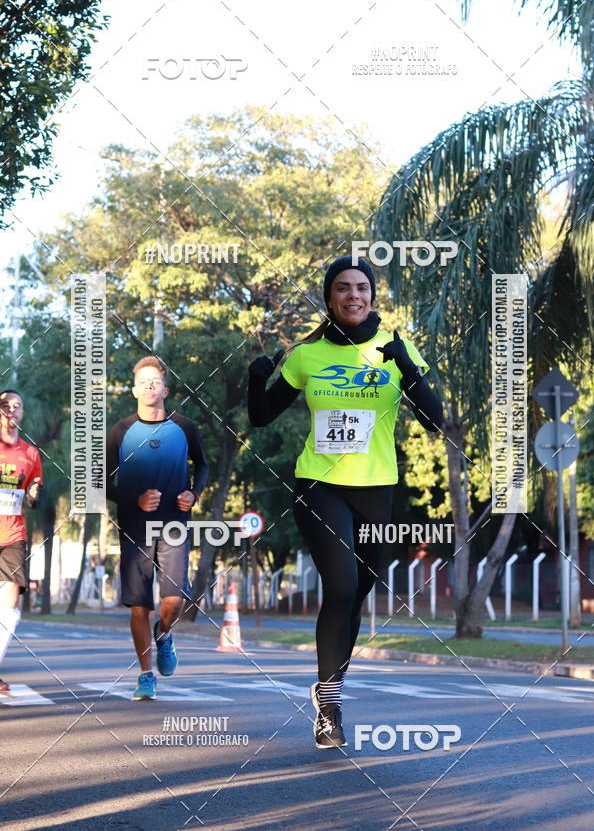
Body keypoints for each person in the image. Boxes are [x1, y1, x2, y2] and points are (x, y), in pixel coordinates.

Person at [247, 256, 443, 748]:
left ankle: (327, 688)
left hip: (377, 488)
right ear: (329, 298)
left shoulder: (396, 347)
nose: (353, 295)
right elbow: (261, 416)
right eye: (342, 288)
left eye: (361, 287)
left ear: (372, 295)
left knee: (355, 598)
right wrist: (256, 377)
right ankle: (330, 708)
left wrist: (406, 368)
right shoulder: (307, 355)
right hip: (320, 484)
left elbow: (434, 421)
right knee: (341, 584)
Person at [107, 357, 209, 701]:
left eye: (156, 382)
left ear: (166, 390)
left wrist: (192, 493)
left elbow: (204, 465)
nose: (150, 386)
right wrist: (134, 500)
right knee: (139, 606)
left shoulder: (185, 427)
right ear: (135, 389)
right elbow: (101, 482)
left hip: (174, 525)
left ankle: (164, 634)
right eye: (143, 381)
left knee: (174, 600)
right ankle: (145, 675)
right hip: (135, 527)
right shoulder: (120, 430)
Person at [0, 390, 43, 691]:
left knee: (10, 603)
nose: (11, 411)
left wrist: (34, 494)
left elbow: (33, 494)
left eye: (17, 406)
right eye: (5, 406)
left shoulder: (30, 453)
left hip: (13, 534)